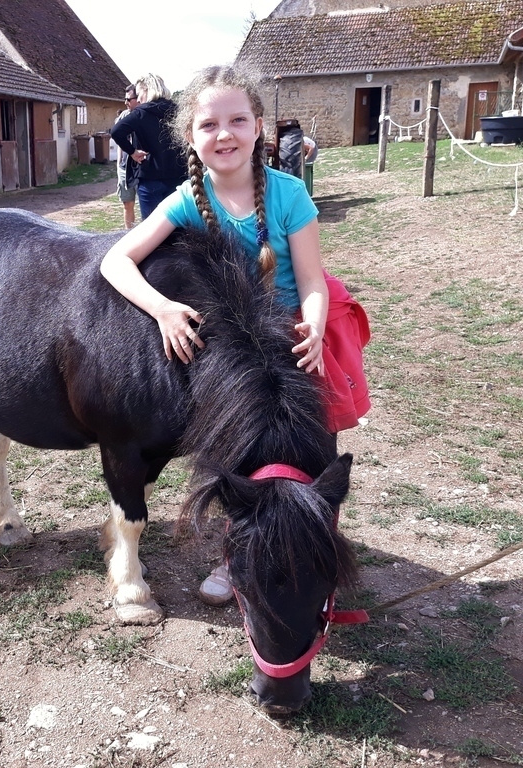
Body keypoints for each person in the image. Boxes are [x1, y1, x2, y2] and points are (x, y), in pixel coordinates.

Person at [99, 65, 370, 606]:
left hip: (293, 342)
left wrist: (314, 330)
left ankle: (314, 545)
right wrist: (164, 310)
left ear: (259, 127)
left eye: (238, 120)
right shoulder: (182, 200)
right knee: (239, 459)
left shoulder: (290, 195)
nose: (224, 134)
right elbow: (115, 261)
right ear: (190, 139)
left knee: (313, 454)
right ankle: (237, 555)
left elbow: (314, 280)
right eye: (209, 125)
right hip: (231, 354)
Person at [110, 74, 188, 220]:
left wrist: (132, 152)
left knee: (152, 231)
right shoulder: (179, 111)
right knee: (179, 230)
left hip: (150, 178)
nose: (138, 99)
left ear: (147, 90)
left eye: (139, 94)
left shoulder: (141, 113)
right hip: (179, 178)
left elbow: (116, 131)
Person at [115, 85, 140, 229]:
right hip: (125, 167)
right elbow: (119, 139)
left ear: (139, 99)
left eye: (128, 99)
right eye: (125, 99)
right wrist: (119, 162)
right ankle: (128, 233)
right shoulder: (123, 117)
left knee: (146, 204)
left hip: (142, 167)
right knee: (127, 203)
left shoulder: (144, 116)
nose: (125, 103)